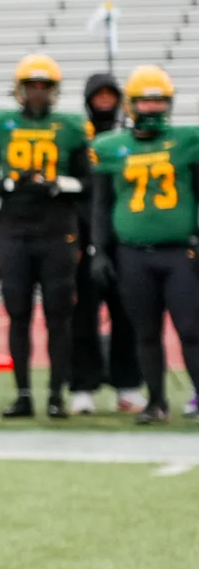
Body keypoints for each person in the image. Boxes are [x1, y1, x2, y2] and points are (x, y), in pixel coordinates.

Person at [0, 56, 90, 419]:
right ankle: (23, 394)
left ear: (53, 90)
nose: (38, 93)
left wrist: (60, 184)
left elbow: (88, 183)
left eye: (44, 86)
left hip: (57, 232)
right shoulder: (0, 124)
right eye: (32, 85)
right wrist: (13, 183)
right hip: (15, 232)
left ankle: (56, 393)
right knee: (18, 314)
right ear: (20, 89)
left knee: (59, 316)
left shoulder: (71, 127)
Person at [89, 66, 199, 425]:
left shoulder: (187, 141)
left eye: (159, 100)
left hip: (179, 251)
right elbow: (101, 204)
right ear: (131, 104)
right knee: (146, 333)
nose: (152, 107)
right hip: (133, 252)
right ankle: (156, 401)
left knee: (191, 330)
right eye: (146, 100)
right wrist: (100, 250)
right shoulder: (110, 146)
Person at [69, 73, 143, 414]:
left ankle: (127, 383)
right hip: (83, 236)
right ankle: (83, 385)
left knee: (126, 313)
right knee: (83, 313)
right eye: (98, 96)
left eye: (110, 96)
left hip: (123, 234)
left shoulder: (129, 138)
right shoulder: (77, 137)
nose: (104, 101)